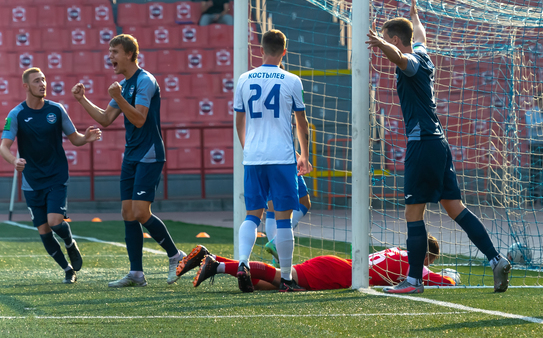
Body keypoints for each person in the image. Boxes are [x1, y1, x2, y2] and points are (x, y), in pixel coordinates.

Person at [365, 0, 511, 294]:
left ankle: (414, 280)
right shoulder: (422, 52)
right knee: (455, 207)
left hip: (422, 145)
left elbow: (399, 57)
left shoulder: (413, 62)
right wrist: (415, 16)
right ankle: (496, 259)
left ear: (394, 39)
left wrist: (380, 43)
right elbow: (420, 35)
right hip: (438, 143)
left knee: (413, 213)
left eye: (388, 38)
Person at [71, 34, 186, 287]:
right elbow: (104, 119)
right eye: (109, 51)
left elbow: (140, 119)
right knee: (127, 213)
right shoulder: (125, 84)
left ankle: (176, 256)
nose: (110, 56)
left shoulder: (145, 81)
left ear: (129, 54)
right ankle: (136, 273)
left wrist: (120, 97)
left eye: (114, 52)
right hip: (132, 154)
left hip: (149, 154)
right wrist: (82, 100)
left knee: (141, 212)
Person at [0, 68, 102, 284]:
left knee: (55, 222)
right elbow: (4, 147)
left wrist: (87, 138)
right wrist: (14, 161)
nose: (42, 84)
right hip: (31, 181)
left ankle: (69, 242)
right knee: (44, 232)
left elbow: (74, 138)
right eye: (37, 81)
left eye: (44, 79)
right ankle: (67, 270)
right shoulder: (16, 114)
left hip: (56, 175)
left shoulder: (57, 110)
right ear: (26, 86)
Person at [233, 29, 312, 292]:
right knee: (283, 219)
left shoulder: (244, 78)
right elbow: (302, 123)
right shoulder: (291, 80)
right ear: (284, 52)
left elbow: (239, 120)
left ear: (261, 49)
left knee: (252, 215)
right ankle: (287, 279)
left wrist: (249, 148)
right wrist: (305, 155)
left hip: (253, 158)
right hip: (282, 158)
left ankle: (242, 264)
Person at [176, 239, 459, 292]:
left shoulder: (399, 251)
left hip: (337, 266)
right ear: (428, 258)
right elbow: (442, 282)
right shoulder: (417, 266)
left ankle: (210, 258)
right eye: (432, 262)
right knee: (280, 277)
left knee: (266, 285)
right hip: (338, 273)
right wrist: (452, 277)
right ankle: (219, 266)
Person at [264, 174, 311, 267]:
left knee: (273, 205)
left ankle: (277, 261)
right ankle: (275, 243)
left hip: (264, 162)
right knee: (304, 203)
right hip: (285, 162)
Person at [525, 90, 543, 203]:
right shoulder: (530, 112)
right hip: (535, 144)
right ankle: (533, 197)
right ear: (538, 101)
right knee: (534, 171)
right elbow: (531, 126)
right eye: (542, 100)